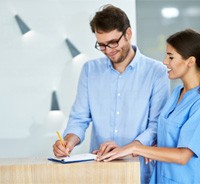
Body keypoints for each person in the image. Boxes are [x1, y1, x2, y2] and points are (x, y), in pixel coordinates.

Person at [53, 4, 170, 183]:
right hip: (98, 171)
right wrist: (69, 141)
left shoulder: (157, 72)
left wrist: (127, 148)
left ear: (128, 34)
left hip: (139, 171)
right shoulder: (90, 70)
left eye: (113, 42)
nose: (108, 50)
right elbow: (79, 118)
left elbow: (156, 126)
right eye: (102, 45)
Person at [97, 29, 200, 183]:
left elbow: (184, 155)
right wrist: (124, 149)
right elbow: (168, 138)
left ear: (190, 61)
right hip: (161, 177)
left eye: (171, 57)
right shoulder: (177, 92)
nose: (165, 61)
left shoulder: (197, 102)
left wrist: (135, 148)